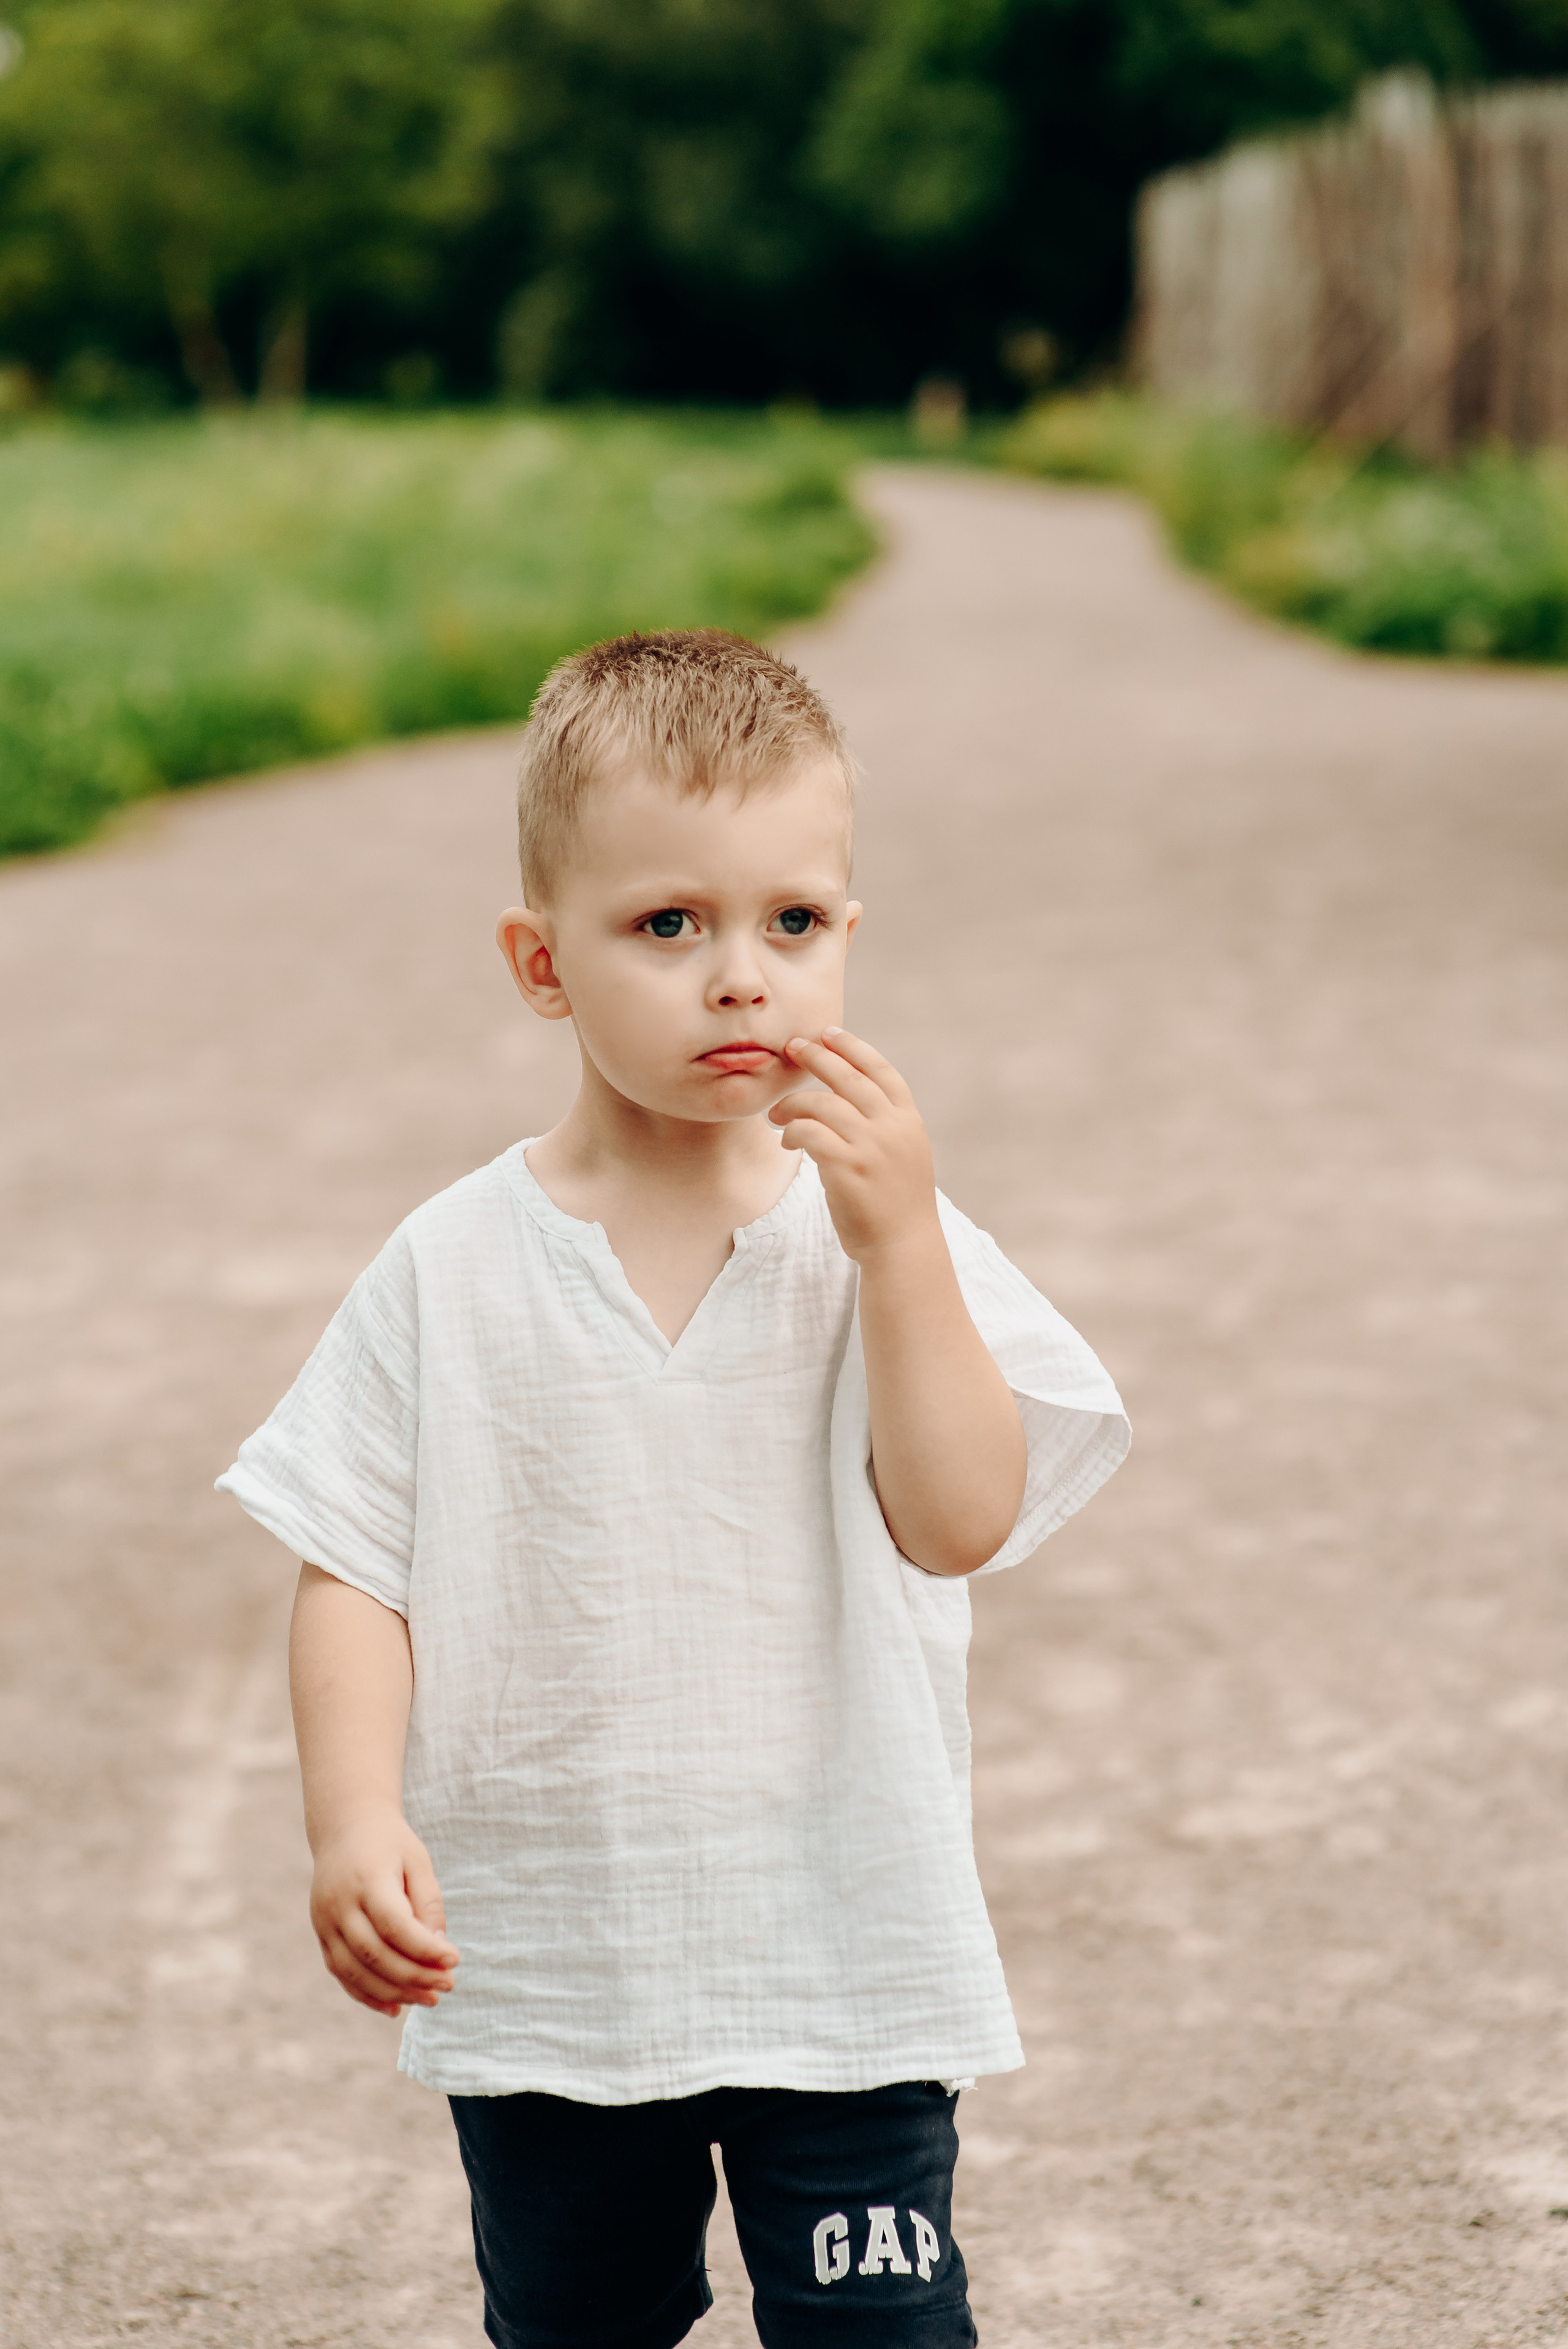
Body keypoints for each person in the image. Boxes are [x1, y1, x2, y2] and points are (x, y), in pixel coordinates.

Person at [217, 628, 1129, 2349]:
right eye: (667, 925)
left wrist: (904, 1249)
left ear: (848, 935)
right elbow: (353, 1558)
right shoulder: (454, 1263)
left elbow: (959, 1517)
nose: (741, 978)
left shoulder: (885, 1236)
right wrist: (353, 1811)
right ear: (542, 962)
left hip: (844, 1948)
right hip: (562, 1962)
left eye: (791, 923)